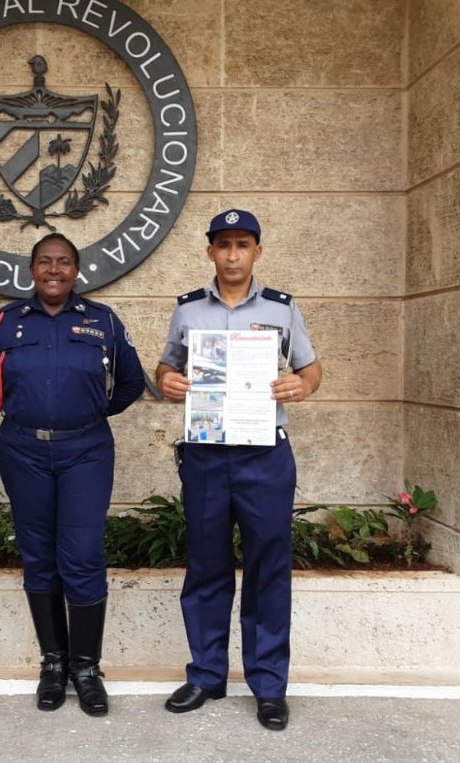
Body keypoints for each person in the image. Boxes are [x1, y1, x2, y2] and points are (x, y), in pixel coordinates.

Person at [155, 209, 322, 730]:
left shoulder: (282, 309)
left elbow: (311, 367)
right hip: (206, 455)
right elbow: (166, 367)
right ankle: (206, 674)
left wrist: (304, 385)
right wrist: (167, 381)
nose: (232, 254)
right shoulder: (187, 312)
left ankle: (269, 684)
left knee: (268, 568)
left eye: (242, 245)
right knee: (205, 565)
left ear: (256, 252)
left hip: (264, 455)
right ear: (209, 251)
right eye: (223, 245)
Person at [0, 233, 145, 716]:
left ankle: (87, 669)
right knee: (38, 555)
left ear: (77, 270)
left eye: (64, 262)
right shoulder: (8, 321)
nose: (55, 270)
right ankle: (53, 666)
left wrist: (87, 413)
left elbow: (132, 381)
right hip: (23, 450)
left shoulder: (103, 322)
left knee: (84, 555)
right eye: (45, 262)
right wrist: (29, 411)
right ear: (32, 269)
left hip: (86, 451)